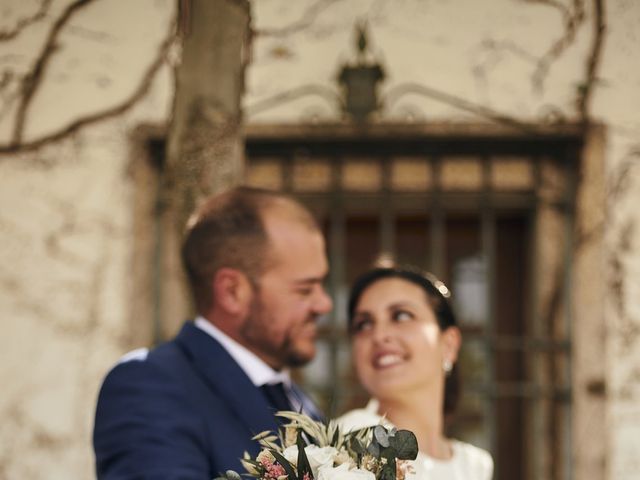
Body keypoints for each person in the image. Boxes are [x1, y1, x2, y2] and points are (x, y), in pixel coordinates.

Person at [93, 186, 332, 479]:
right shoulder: (150, 386)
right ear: (232, 291)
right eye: (305, 289)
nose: (324, 304)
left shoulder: (300, 403)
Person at [338, 265, 493, 480]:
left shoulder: (474, 465)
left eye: (401, 315)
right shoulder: (347, 443)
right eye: (364, 324)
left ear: (449, 344)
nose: (379, 335)